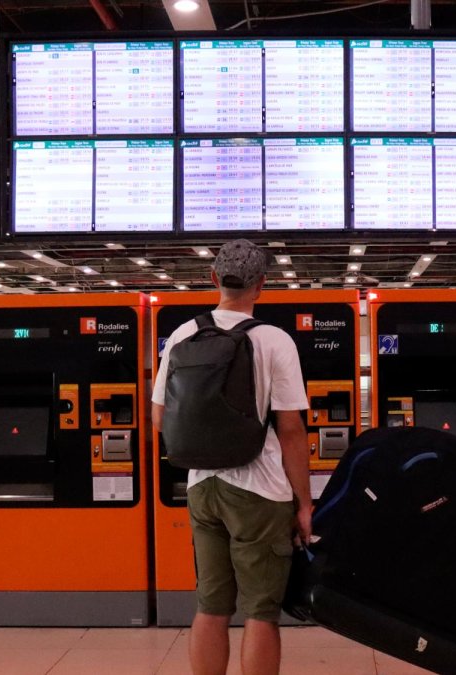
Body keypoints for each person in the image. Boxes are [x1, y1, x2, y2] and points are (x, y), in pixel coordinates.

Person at [152, 239, 313, 675]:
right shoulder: (274, 340)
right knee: (261, 611)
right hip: (260, 492)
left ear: (214, 279)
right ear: (261, 285)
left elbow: (159, 418)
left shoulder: (183, 335)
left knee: (210, 606)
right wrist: (304, 504)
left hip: (202, 487)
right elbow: (291, 431)